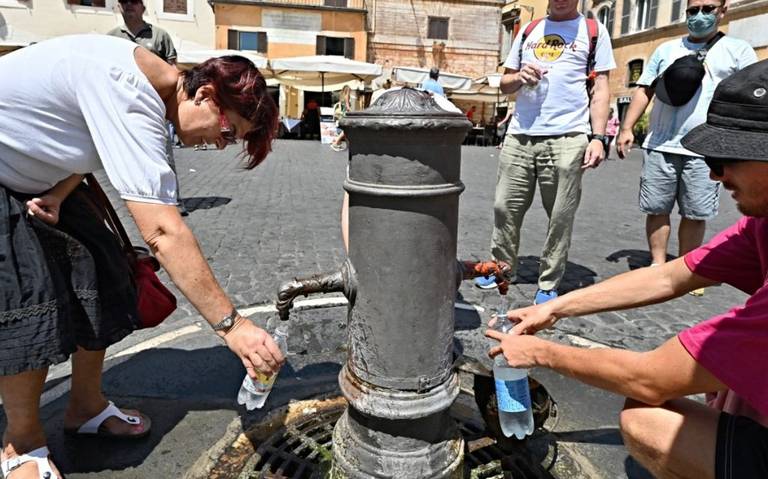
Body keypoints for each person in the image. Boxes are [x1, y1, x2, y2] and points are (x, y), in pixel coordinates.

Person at [0, 35, 281, 478]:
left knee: (107, 269)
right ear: (206, 95)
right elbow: (164, 232)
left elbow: (83, 129)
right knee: (30, 298)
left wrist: (58, 193)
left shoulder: (150, 86)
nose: (220, 144)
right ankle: (22, 443)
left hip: (42, 178)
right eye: (228, 131)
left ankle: (85, 406)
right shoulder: (128, 89)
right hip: (4, 171)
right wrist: (234, 326)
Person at [487, 59, 768, 479]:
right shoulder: (761, 223)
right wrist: (556, 308)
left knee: (646, 420)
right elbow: (669, 275)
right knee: (730, 381)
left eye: (728, 156)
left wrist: (539, 353)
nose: (714, 173)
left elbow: (649, 379)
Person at [475, 0, 615, 305]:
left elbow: (602, 87)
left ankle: (549, 281)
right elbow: (505, 83)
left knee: (560, 216)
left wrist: (598, 138)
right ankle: (501, 268)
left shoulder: (594, 31)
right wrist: (519, 76)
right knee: (504, 207)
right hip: (520, 134)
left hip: (568, 135)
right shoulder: (528, 30)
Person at [616, 0, 756, 283]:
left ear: (723, 11)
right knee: (657, 208)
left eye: (708, 8)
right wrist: (626, 127)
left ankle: (684, 269)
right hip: (661, 144)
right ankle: (657, 265)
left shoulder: (738, 50)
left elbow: (748, 95)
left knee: (695, 211)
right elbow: (645, 90)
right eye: (693, 10)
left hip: (705, 149)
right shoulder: (666, 49)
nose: (700, 16)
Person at [108, 0, 190, 216]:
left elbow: (173, 70)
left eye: (134, 1)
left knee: (163, 152)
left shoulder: (159, 36)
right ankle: (143, 201)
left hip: (155, 103)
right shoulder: (112, 36)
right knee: (127, 154)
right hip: (123, 104)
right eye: (124, 1)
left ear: (143, 7)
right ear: (118, 6)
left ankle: (174, 200)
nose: (129, 5)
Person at [331, 85, 352, 152]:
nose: (350, 92)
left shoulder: (342, 96)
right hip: (345, 115)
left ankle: (348, 146)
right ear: (348, 91)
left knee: (346, 130)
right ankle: (336, 142)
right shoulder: (347, 96)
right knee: (346, 130)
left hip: (341, 116)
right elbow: (348, 107)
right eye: (350, 90)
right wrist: (353, 112)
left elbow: (342, 106)